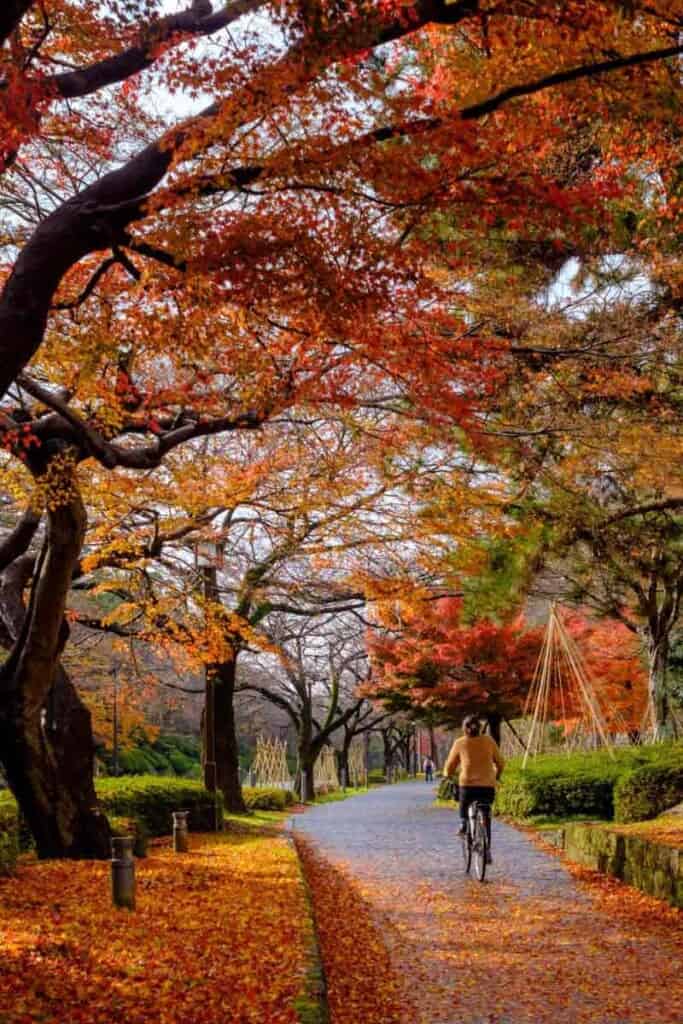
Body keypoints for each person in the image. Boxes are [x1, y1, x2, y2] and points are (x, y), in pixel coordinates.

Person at [444, 714, 504, 862]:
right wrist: (497, 776)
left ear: (464, 729)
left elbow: (450, 766)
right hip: (487, 786)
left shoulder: (460, 743)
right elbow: (501, 762)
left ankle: (464, 823)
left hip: (468, 785)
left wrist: (447, 775)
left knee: (464, 805)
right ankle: (487, 849)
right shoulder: (489, 741)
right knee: (486, 815)